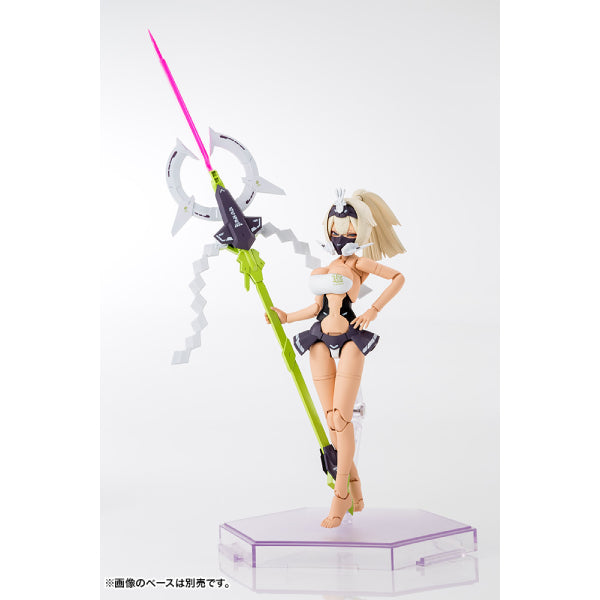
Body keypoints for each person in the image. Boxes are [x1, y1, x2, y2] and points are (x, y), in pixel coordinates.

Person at [266, 189, 406, 528]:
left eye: (348, 229)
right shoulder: (326, 267)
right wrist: (286, 317)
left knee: (343, 418)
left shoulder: (359, 264)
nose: (340, 235)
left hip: (350, 338)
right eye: (335, 228)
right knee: (332, 422)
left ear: (361, 231)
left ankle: (340, 495)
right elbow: (316, 307)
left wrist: (373, 310)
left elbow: (398, 278)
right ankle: (355, 487)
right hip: (317, 339)